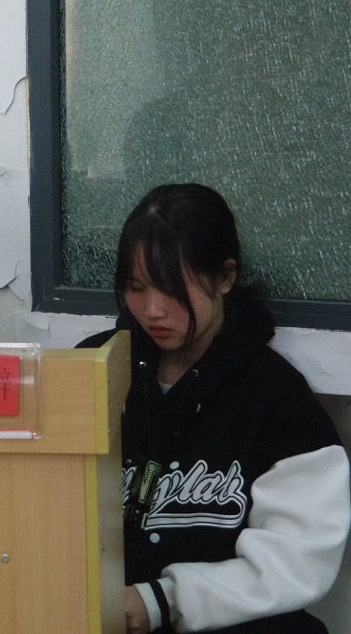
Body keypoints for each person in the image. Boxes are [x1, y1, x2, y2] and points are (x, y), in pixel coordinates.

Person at [78, 183, 349, 633]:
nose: (152, 310)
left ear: (225, 277)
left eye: (172, 288)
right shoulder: (94, 370)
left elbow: (296, 561)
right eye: (136, 287)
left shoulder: (276, 397)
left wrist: (161, 600)